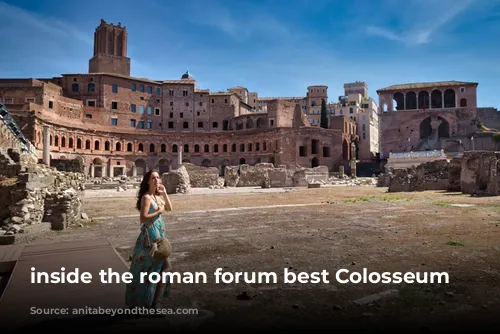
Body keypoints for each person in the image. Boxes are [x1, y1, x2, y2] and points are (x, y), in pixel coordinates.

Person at [125, 170, 173, 310]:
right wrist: (159, 211)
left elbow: (169, 208)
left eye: (158, 177)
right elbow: (143, 218)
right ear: (147, 181)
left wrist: (164, 193)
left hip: (159, 234)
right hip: (152, 237)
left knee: (155, 269)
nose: (156, 180)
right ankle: (154, 302)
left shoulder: (156, 197)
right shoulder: (146, 198)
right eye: (153, 178)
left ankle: (153, 301)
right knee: (162, 268)